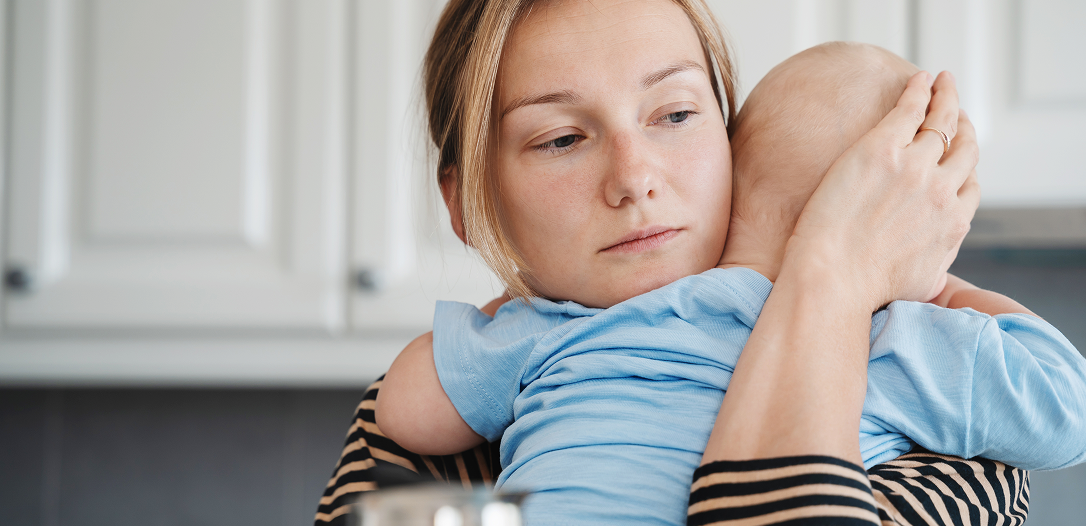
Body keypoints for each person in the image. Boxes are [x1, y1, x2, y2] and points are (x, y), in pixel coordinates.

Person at [318, 0, 1019, 524]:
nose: (635, 177)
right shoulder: (436, 440)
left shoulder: (930, 414)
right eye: (562, 138)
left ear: (733, 139)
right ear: (470, 204)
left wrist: (833, 277)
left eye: (676, 114)